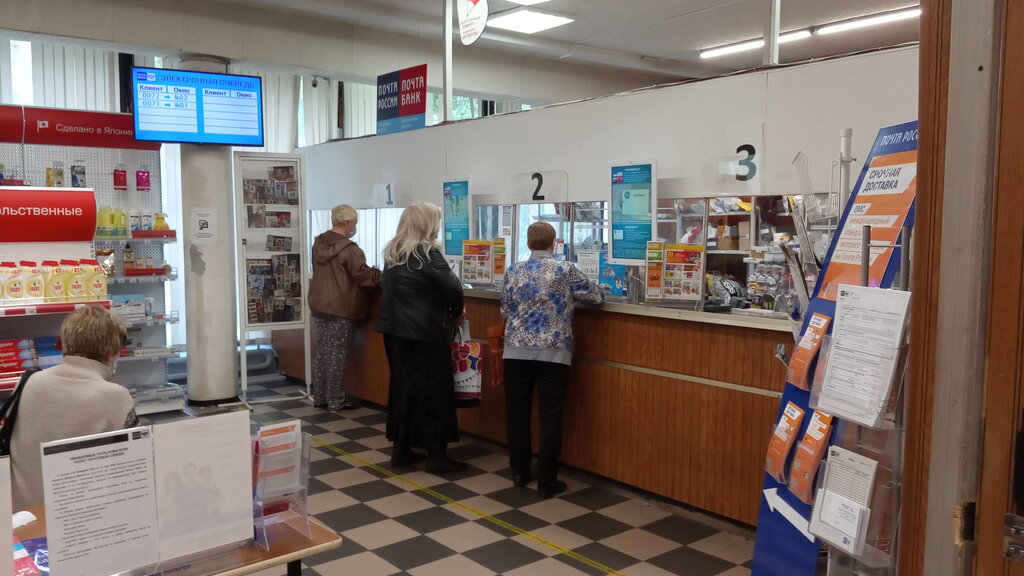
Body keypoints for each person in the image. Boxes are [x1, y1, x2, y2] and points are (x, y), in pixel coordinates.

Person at [501, 221, 604, 499]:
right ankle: (548, 480)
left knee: (517, 413)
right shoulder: (565, 269)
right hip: (554, 352)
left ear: (527, 243)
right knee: (550, 416)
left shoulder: (514, 271)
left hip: (515, 350)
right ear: (554, 243)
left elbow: (505, 309)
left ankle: (519, 471)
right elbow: (596, 296)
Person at [11, 305, 138, 510]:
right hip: (81, 523)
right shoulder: (116, 397)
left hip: (22, 521)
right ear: (111, 350)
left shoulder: (26, 382)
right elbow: (134, 470)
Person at [376, 202, 466, 473]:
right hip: (425, 333)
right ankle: (437, 454)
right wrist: (454, 314)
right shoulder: (427, 253)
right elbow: (454, 288)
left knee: (403, 389)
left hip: (394, 332)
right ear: (427, 224)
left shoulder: (393, 252)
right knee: (436, 391)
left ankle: (401, 449)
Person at [308, 204, 382, 411]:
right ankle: (336, 400)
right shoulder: (350, 250)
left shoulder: (318, 243)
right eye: (355, 223)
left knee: (322, 352)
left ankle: (321, 396)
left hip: (319, 304)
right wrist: (378, 274)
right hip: (341, 307)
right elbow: (365, 278)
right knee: (337, 354)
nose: (355, 227)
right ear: (348, 223)